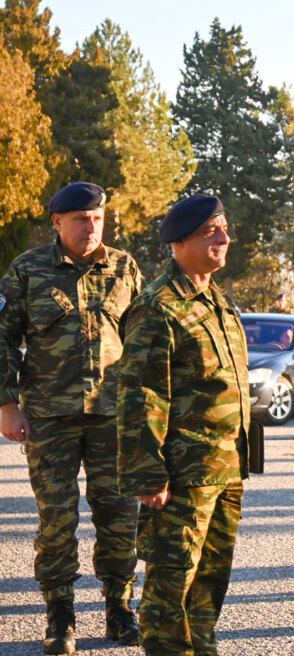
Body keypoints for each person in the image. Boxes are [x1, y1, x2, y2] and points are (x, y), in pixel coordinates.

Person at [0, 182, 142, 654]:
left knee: (119, 515)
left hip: (114, 414)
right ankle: (59, 613)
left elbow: (145, 341)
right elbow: (2, 338)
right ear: (57, 223)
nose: (90, 226)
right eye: (80, 219)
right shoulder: (27, 270)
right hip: (48, 416)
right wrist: (6, 405)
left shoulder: (124, 267)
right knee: (57, 519)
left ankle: (119, 607)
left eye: (97, 218)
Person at [118, 194, 253, 656]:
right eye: (210, 231)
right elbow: (140, 394)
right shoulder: (157, 306)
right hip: (181, 476)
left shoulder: (219, 301)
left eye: (224, 228)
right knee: (168, 593)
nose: (223, 237)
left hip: (226, 470)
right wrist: (146, 474)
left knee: (210, 584)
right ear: (179, 242)